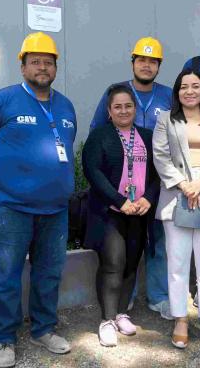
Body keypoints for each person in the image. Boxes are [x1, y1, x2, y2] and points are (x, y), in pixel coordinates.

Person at [0, 32, 76, 368]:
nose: (42, 67)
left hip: (55, 209)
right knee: (6, 275)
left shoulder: (65, 105)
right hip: (10, 207)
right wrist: (9, 178)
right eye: (36, 61)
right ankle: (3, 338)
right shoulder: (3, 101)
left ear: (55, 67)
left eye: (48, 62)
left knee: (49, 273)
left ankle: (43, 329)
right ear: (23, 65)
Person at [89, 36, 174, 320]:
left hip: (156, 184)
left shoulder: (169, 95)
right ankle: (125, 301)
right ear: (133, 62)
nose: (146, 66)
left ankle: (159, 297)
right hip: (121, 192)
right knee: (125, 247)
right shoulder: (117, 92)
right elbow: (97, 134)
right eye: (142, 60)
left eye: (152, 61)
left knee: (158, 242)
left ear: (159, 66)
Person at [152, 69, 200, 352]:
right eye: (183, 86)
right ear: (177, 92)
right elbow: (160, 157)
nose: (189, 91)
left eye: (195, 86)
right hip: (177, 196)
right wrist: (185, 186)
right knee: (177, 264)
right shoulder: (166, 120)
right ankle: (181, 320)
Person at [82, 84, 158, 347]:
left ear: (135, 109)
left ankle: (121, 313)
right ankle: (106, 320)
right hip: (110, 212)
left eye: (128, 106)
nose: (123, 110)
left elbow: (159, 173)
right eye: (118, 106)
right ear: (109, 110)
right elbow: (92, 171)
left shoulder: (148, 136)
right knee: (113, 263)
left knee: (131, 264)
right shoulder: (100, 136)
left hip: (139, 211)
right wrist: (119, 200)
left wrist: (148, 197)